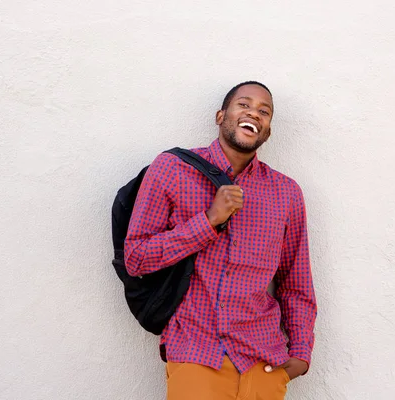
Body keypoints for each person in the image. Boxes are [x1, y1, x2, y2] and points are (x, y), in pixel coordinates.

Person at [124, 81, 317, 400]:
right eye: (244, 104)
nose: (254, 112)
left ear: (267, 129)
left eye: (264, 111)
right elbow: (137, 257)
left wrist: (300, 352)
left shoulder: (286, 193)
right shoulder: (173, 169)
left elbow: (296, 281)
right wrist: (209, 220)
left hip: (263, 362)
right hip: (197, 354)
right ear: (220, 115)